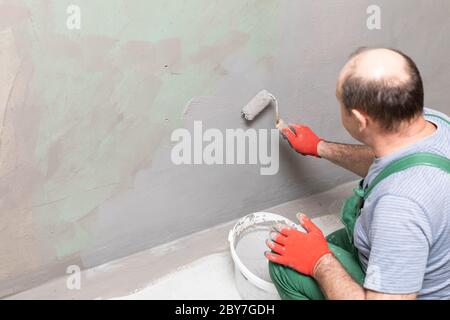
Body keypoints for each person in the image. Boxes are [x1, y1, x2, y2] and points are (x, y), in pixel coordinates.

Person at [265, 47, 450, 300]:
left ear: (359, 119)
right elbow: (391, 164)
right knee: (342, 227)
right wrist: (320, 147)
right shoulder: (433, 123)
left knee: (284, 266)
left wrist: (320, 263)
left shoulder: (397, 210)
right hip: (424, 252)